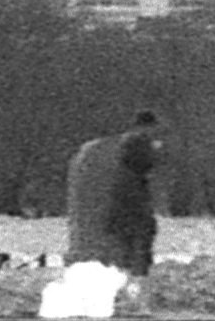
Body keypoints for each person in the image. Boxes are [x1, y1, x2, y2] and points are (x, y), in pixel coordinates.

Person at [66, 111, 166, 278]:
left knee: (126, 240)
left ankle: (125, 271)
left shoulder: (113, 151)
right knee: (136, 238)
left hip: (121, 205)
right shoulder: (137, 144)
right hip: (131, 204)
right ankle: (134, 275)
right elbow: (142, 165)